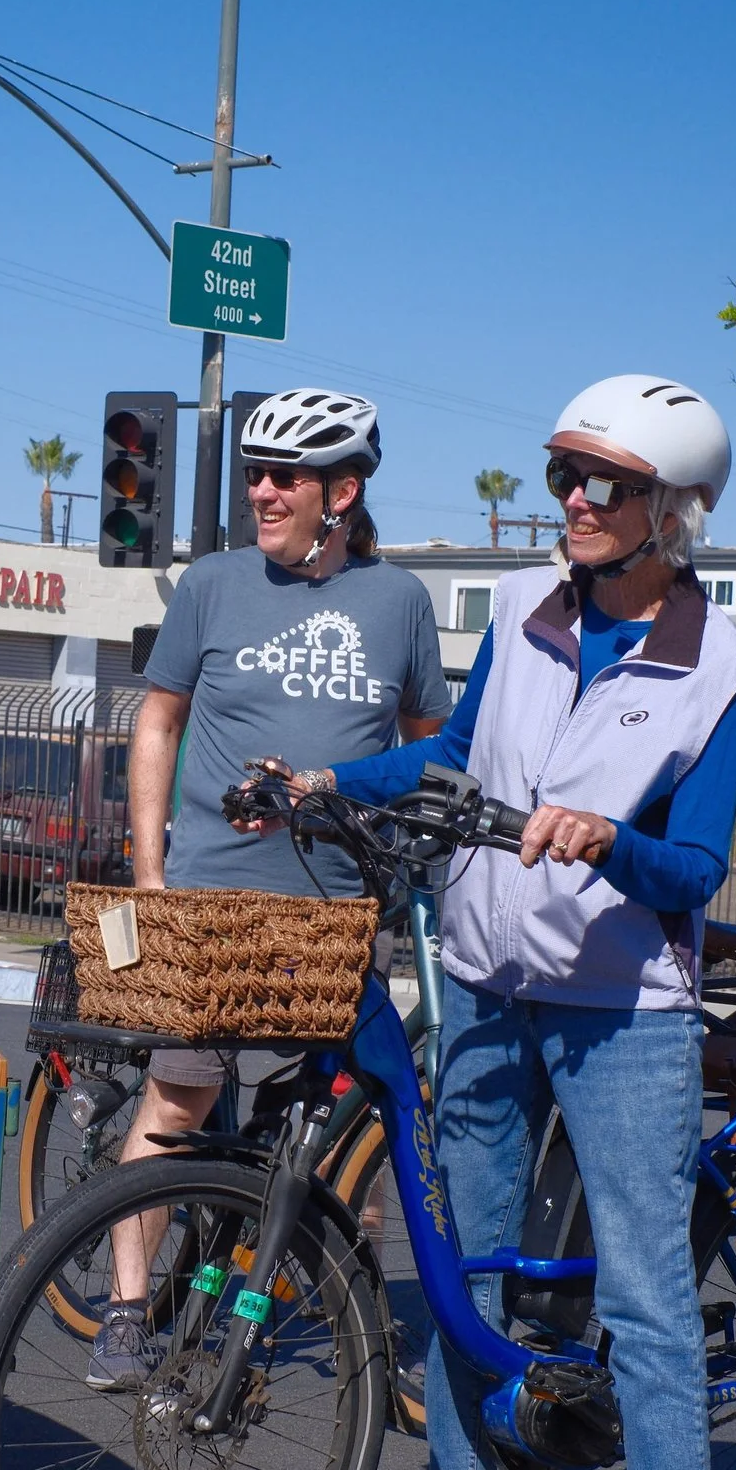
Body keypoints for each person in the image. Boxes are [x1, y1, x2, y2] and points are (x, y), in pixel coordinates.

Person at [280, 377, 736, 1470]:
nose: (577, 501)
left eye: (608, 483)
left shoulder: (720, 670)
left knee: (646, 1294)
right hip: (484, 982)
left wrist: (606, 838)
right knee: (465, 1272)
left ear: (676, 509)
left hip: (622, 1013)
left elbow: (696, 867)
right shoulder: (518, 607)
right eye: (566, 474)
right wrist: (332, 785)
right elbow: (451, 757)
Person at [89, 387, 451, 1389]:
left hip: (337, 911)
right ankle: (126, 1311)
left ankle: (344, 1303)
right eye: (254, 471)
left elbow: (427, 754)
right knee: (181, 1091)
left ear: (341, 489)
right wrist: (151, 871)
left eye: (282, 474)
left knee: (343, 1115)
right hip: (211, 897)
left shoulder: (400, 604)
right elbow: (157, 719)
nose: (260, 490)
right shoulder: (211, 584)